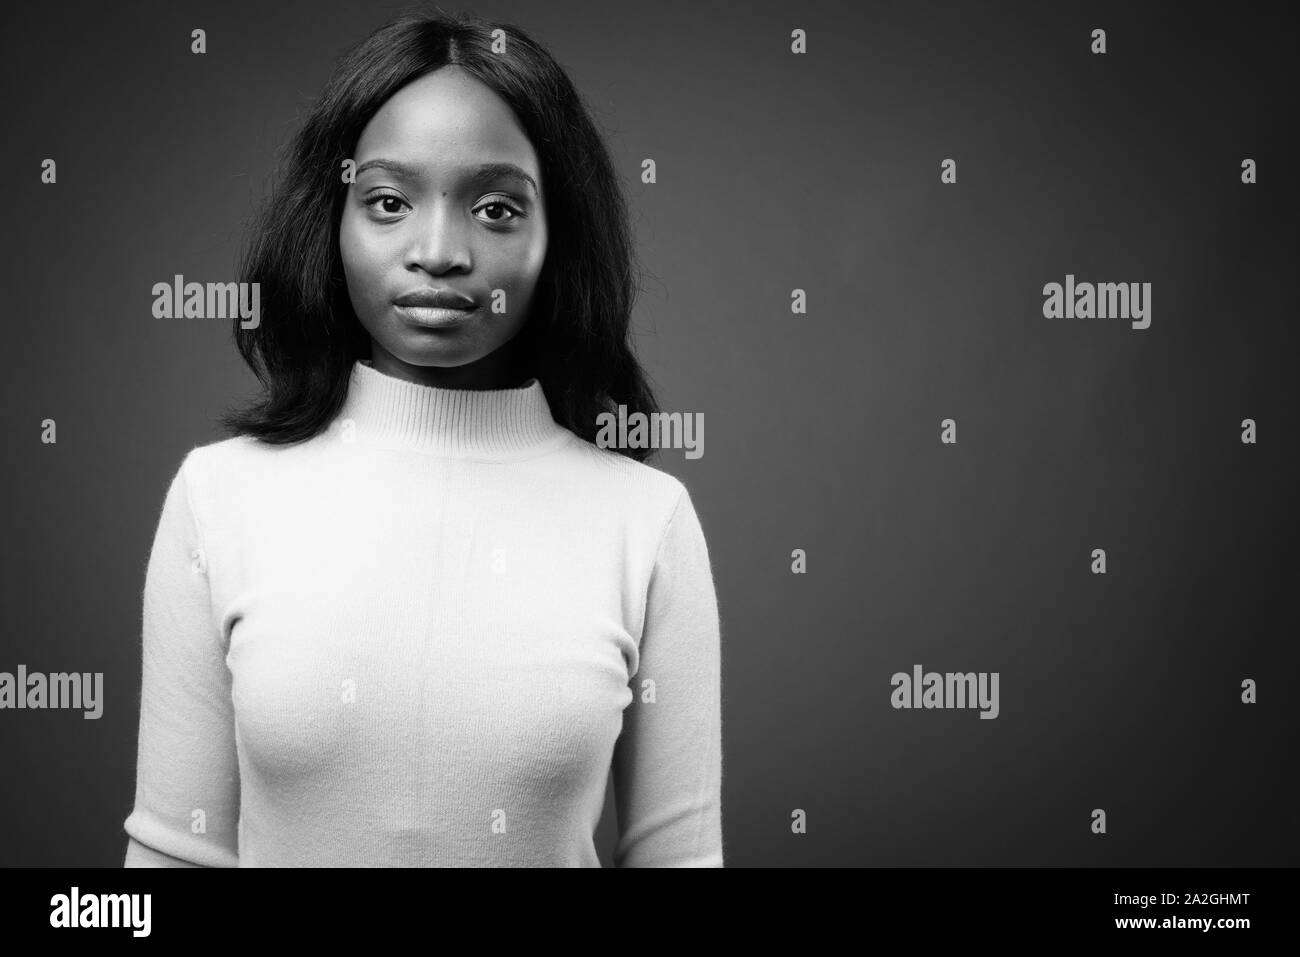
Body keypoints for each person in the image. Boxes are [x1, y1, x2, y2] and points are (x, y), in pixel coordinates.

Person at [122, 10, 723, 867]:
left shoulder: (648, 521)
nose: (438, 251)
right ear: (332, 221)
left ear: (560, 236)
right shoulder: (219, 496)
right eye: (389, 201)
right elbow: (171, 857)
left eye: (495, 206)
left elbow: (681, 861)